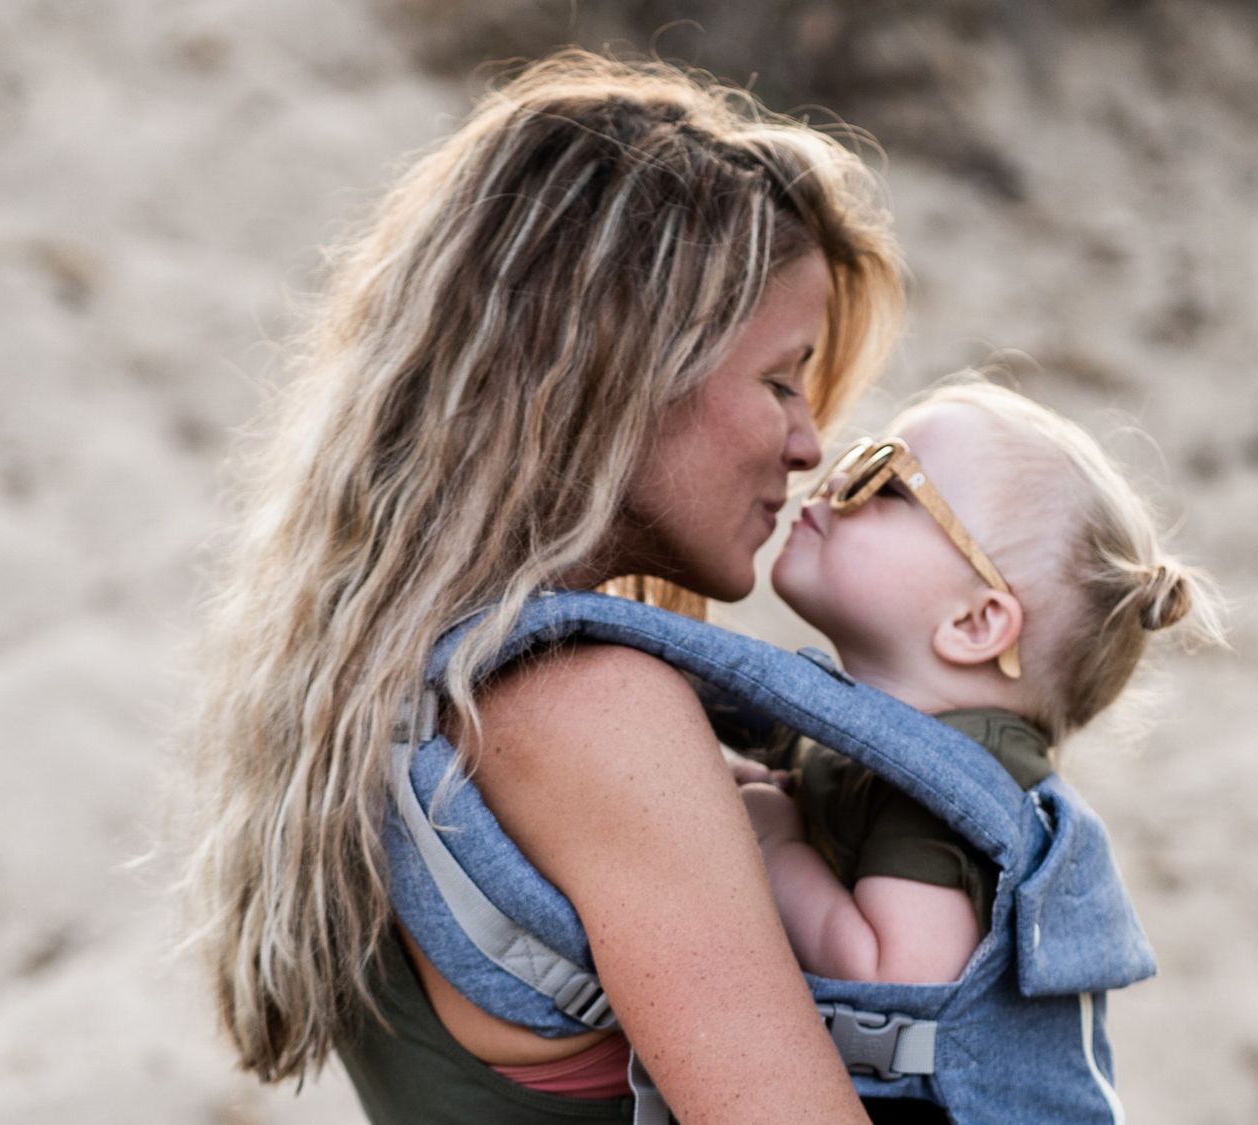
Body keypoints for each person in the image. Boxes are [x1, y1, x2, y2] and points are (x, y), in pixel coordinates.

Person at [177, 50, 905, 1122]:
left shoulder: (391, 686)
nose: (808, 444)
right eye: (779, 379)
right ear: (623, 366)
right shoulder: (588, 706)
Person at [735, 379, 1224, 985]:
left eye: (885, 481)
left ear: (974, 622)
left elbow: (893, 974)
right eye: (858, 455)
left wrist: (775, 845)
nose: (837, 482)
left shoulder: (947, 783)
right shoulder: (899, 738)